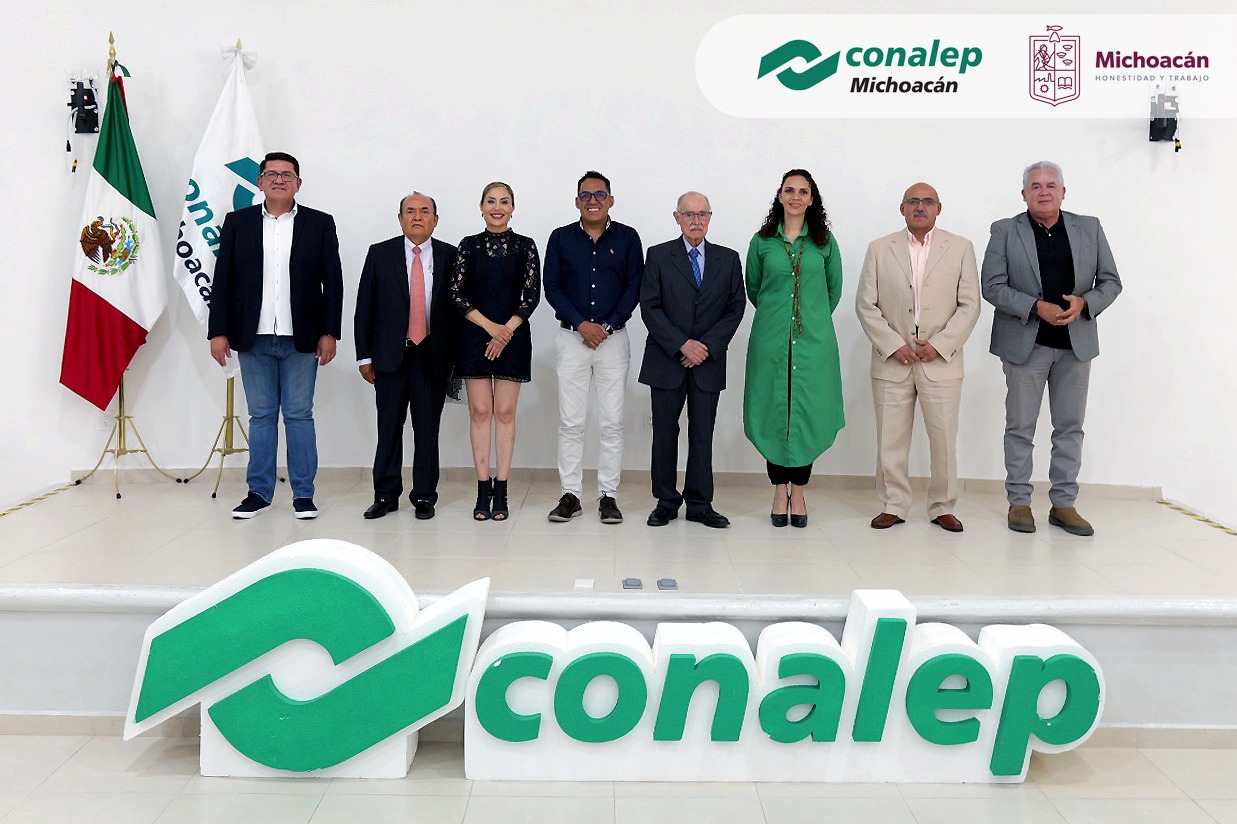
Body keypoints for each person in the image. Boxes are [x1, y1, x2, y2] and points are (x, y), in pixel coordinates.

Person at [981, 161, 1122, 536]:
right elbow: (991, 286)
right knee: (1020, 428)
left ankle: (1064, 504)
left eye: (1050, 185)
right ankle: (1019, 502)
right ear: (1023, 194)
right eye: (1035, 186)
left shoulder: (1089, 228)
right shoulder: (1005, 230)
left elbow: (1111, 282)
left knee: (1070, 428)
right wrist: (1034, 307)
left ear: (1063, 192)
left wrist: (1086, 303)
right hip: (1026, 346)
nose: (1043, 191)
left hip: (1076, 346)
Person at [208, 151, 343, 520]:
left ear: (298, 183)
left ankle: (304, 494)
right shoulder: (238, 222)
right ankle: (259, 493)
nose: (279, 180)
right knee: (261, 416)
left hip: (302, 337)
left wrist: (330, 331)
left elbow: (332, 283)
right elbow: (223, 280)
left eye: (287, 174)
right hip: (252, 337)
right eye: (272, 174)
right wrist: (218, 331)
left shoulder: (319, 223)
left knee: (299, 415)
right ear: (260, 182)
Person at [855, 182, 980, 533]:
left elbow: (970, 305)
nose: (920, 207)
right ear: (902, 208)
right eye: (913, 201)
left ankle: (942, 506)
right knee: (890, 439)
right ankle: (893, 504)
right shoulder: (880, 248)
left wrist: (939, 345)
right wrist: (893, 344)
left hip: (941, 362)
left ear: (939, 208)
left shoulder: (961, 248)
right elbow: (865, 304)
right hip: (892, 361)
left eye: (927, 201)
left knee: (944, 441)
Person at [743, 169, 844, 529]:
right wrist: (779, 320)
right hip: (770, 343)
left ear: (812, 199)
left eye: (803, 191)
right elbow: (754, 289)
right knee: (773, 412)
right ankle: (778, 490)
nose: (796, 197)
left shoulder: (824, 242)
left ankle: (798, 492)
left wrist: (809, 320)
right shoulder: (762, 242)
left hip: (814, 344)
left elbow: (833, 291)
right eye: (789, 190)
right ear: (780, 196)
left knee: (806, 413)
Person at [639, 192, 746, 529]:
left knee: (702, 434)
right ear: (677, 217)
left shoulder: (728, 259)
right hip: (666, 360)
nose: (696, 220)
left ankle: (700, 504)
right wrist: (682, 345)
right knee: (664, 433)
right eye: (689, 214)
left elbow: (735, 308)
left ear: (710, 217)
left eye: (702, 214)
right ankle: (666, 502)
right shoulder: (658, 255)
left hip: (708, 363)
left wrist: (706, 347)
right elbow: (650, 307)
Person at [542, 171, 643, 524]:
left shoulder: (628, 238)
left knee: (612, 422)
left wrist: (607, 325)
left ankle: (608, 496)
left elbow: (634, 287)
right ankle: (570, 494)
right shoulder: (560, 238)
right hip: (572, 339)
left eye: (600, 194)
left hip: (614, 341)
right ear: (577, 202)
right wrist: (581, 324)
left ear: (611, 200)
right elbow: (552, 286)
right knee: (571, 422)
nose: (593, 201)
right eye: (585, 195)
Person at [354, 192, 458, 520]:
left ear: (435, 220)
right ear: (399, 218)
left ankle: (424, 495)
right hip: (390, 356)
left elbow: (458, 311)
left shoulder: (451, 255)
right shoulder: (380, 253)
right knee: (389, 428)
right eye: (410, 211)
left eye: (425, 211)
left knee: (427, 431)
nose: (417, 216)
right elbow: (364, 307)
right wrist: (364, 357)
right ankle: (385, 495)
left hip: (432, 356)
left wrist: (456, 359)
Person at [450, 182, 541, 521]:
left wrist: (506, 332)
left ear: (513, 208)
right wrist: (491, 328)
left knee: (504, 413)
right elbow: (456, 294)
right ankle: (482, 488)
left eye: (504, 202)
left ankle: (501, 489)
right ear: (481, 206)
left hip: (513, 336)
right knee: (479, 412)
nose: (497, 207)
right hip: (475, 336)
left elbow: (531, 295)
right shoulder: (468, 245)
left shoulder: (525, 246)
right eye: (491, 201)